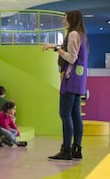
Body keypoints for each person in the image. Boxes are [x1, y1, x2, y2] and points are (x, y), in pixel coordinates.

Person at [43, 10, 88, 161]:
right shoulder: (82, 35)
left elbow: (71, 58)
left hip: (71, 79)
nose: (63, 21)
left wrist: (56, 48)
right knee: (75, 115)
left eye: (65, 18)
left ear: (72, 19)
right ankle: (77, 149)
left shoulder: (74, 34)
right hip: (79, 80)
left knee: (65, 114)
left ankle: (66, 149)